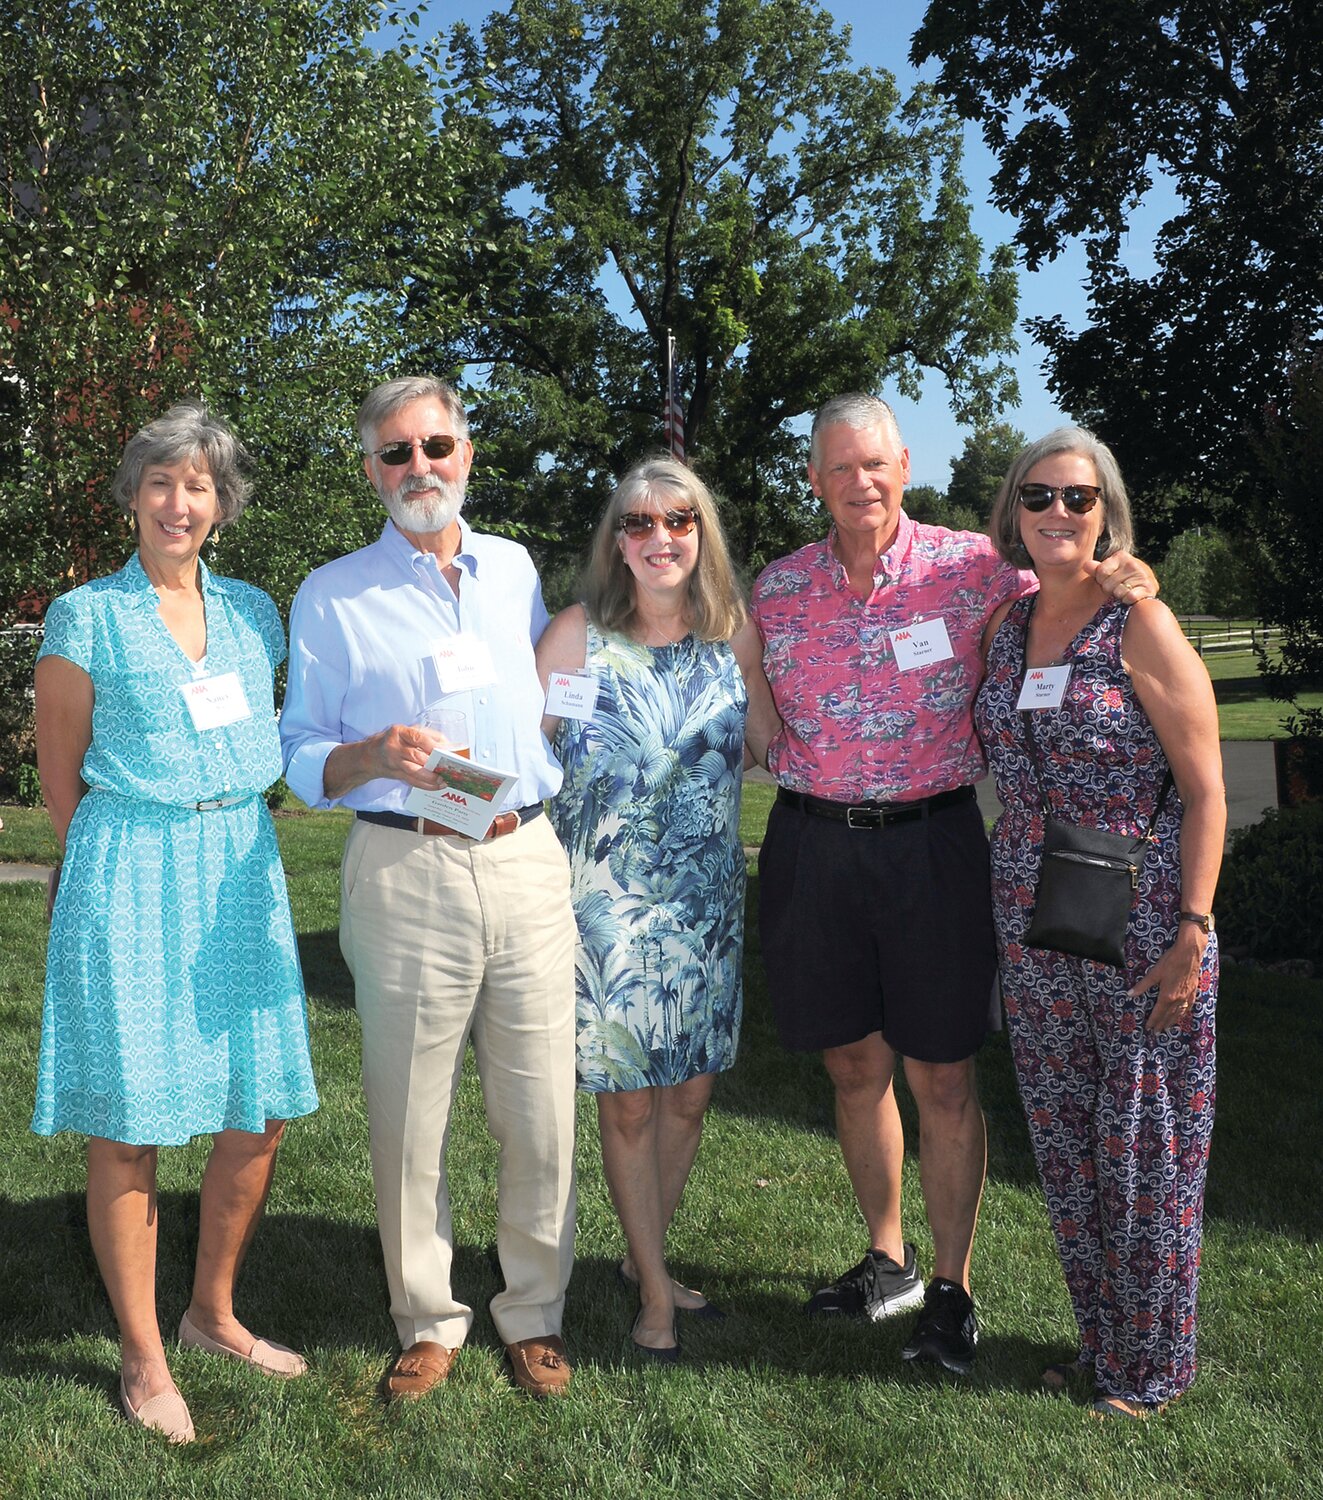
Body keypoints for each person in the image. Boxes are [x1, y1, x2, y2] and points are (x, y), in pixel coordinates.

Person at [751, 393, 1157, 1376]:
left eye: (877, 465)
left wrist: (1121, 574)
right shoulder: (777, 588)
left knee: (941, 1073)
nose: (862, 483)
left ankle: (951, 1288)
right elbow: (741, 676)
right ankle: (885, 1260)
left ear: (904, 467)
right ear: (814, 478)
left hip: (933, 846)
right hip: (812, 848)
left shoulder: (973, 572)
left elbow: (1067, 587)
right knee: (853, 1068)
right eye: (840, 467)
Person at [280, 376, 578, 1400]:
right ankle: (429, 1316)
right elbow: (300, 756)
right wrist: (369, 752)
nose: (420, 469)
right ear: (369, 469)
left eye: (436, 447)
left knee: (539, 1107)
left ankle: (534, 1310)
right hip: (403, 865)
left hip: (528, 859)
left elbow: (549, 701)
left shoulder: (515, 569)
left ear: (467, 455)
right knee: (410, 1113)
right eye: (396, 453)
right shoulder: (330, 592)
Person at [33, 402, 319, 1444]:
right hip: (131, 865)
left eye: (197, 484)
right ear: (133, 495)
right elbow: (60, 773)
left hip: (241, 865)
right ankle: (144, 1357)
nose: (178, 501)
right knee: (135, 1120)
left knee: (261, 1105)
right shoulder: (85, 616)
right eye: (160, 481)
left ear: (222, 503)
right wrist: (98, 864)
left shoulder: (254, 613)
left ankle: (210, 1313)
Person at [974, 428, 1222, 1418]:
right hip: (1034, 920)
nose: (1058, 515)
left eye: (1079, 499)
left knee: (1144, 1147)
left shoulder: (1139, 625)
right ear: (1014, 512)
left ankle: (1153, 1370)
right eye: (1039, 497)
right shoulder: (1004, 624)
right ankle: (1101, 1347)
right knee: (1069, 1145)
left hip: (1143, 916)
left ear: (1107, 513)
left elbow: (1206, 791)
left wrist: (1193, 932)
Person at [536, 458, 780, 1360]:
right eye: (637, 523)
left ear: (701, 533)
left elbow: (770, 744)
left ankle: (647, 1262)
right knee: (629, 1105)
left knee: (687, 1098)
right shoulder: (577, 638)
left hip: (705, 908)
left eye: (678, 520)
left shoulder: (733, 639)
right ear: (616, 542)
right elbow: (522, 757)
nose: (659, 537)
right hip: (602, 912)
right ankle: (656, 1304)